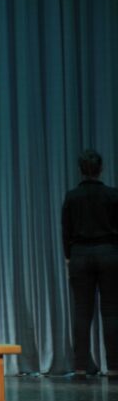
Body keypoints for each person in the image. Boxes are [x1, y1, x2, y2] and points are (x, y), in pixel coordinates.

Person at [62, 149, 118, 378]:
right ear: (101, 169)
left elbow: (66, 231)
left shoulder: (72, 197)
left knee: (82, 312)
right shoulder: (113, 195)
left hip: (80, 254)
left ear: (80, 170)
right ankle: (114, 367)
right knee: (111, 312)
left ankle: (80, 367)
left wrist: (69, 258)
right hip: (109, 253)